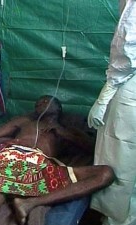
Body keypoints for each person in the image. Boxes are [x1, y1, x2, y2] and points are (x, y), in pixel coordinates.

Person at [0, 95, 115, 225]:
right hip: (11, 158)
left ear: (58, 108)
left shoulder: (66, 129)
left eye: (46, 101)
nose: (40, 103)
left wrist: (63, 132)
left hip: (42, 167)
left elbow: (92, 149)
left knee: (106, 174)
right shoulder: (24, 121)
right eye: (38, 102)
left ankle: (30, 203)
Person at [87, 1, 136, 225]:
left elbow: (128, 49)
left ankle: (118, 220)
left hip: (130, 87)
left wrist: (104, 96)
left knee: (121, 161)